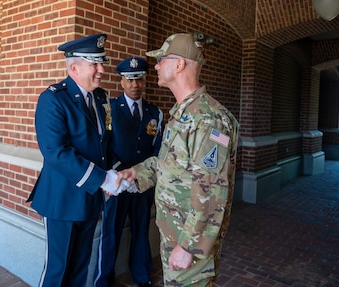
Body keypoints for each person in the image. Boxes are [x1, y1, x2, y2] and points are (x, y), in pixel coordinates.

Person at [116, 33, 240, 287]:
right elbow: (172, 165)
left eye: (161, 60)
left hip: (189, 239)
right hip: (176, 231)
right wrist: (136, 173)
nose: (157, 66)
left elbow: (212, 190)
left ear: (179, 65)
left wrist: (189, 246)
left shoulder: (209, 120)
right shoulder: (183, 115)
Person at [27, 33, 126, 287]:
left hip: (90, 199)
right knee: (58, 271)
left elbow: (105, 145)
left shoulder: (101, 98)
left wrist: (119, 175)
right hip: (62, 199)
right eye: (95, 64)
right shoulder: (53, 99)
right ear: (74, 67)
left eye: (101, 63)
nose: (102, 70)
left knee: (81, 268)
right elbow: (55, 152)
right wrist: (103, 178)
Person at [93, 58, 163, 287]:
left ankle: (141, 276)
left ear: (145, 81)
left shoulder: (155, 113)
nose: (135, 84)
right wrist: (119, 175)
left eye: (140, 79)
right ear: (121, 82)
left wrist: (141, 177)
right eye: (130, 79)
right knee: (110, 233)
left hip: (142, 185)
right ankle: (103, 280)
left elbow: (158, 149)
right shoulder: (109, 110)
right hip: (117, 184)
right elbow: (104, 147)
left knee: (141, 230)